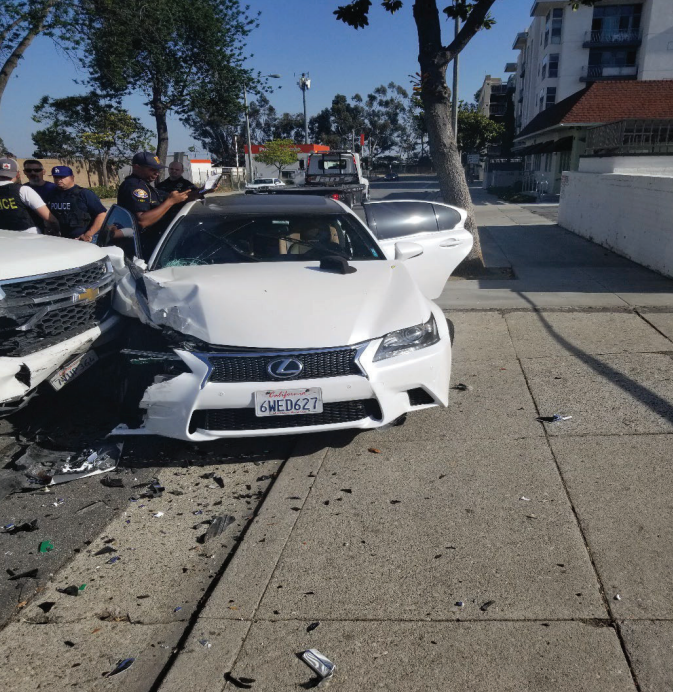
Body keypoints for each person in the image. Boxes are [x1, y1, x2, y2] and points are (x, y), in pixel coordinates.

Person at [117, 151, 193, 256]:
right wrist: (170, 202)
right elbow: (142, 221)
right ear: (137, 167)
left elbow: (177, 197)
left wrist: (203, 191)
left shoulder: (145, 185)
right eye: (152, 169)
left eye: (158, 170)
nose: (157, 173)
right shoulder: (134, 187)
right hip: (140, 245)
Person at [46, 166, 107, 242]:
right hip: (59, 240)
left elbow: (101, 214)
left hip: (81, 240)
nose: (59, 180)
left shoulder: (84, 194)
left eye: (62, 177)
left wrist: (88, 234)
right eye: (56, 177)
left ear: (72, 177)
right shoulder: (51, 195)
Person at [0, 157, 59, 234]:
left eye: (37, 170)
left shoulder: (53, 188)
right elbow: (49, 218)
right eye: (28, 170)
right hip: (29, 236)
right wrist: (57, 230)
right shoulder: (23, 190)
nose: (33, 173)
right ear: (18, 174)